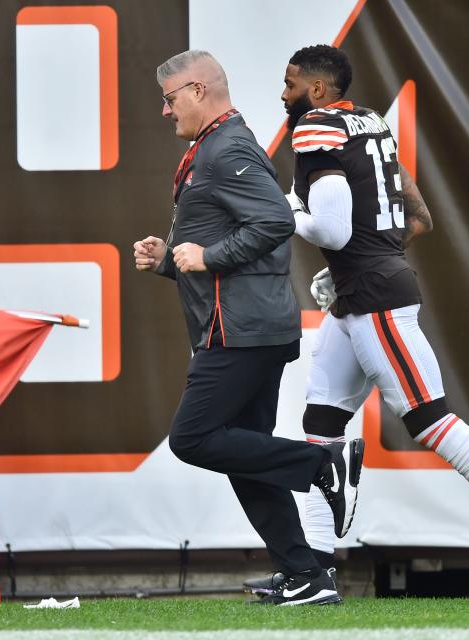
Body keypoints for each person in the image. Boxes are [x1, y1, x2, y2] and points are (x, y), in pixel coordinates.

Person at [246, 44, 469, 599]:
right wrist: (371, 256)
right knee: (321, 426)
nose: (283, 94)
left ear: (318, 90)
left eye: (290, 83)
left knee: (429, 421)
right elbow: (416, 212)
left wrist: (283, 210)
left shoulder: (316, 126)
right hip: (359, 293)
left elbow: (329, 230)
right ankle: (315, 571)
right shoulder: (370, 121)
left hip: (373, 298)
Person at [133, 50, 364, 606]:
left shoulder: (228, 147)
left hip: (241, 331)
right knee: (246, 454)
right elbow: (226, 240)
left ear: (197, 91)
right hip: (245, 325)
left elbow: (276, 221)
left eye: (169, 99)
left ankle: (324, 466)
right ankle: (306, 575)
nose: (165, 111)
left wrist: (208, 256)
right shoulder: (214, 147)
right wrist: (171, 257)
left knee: (193, 439)